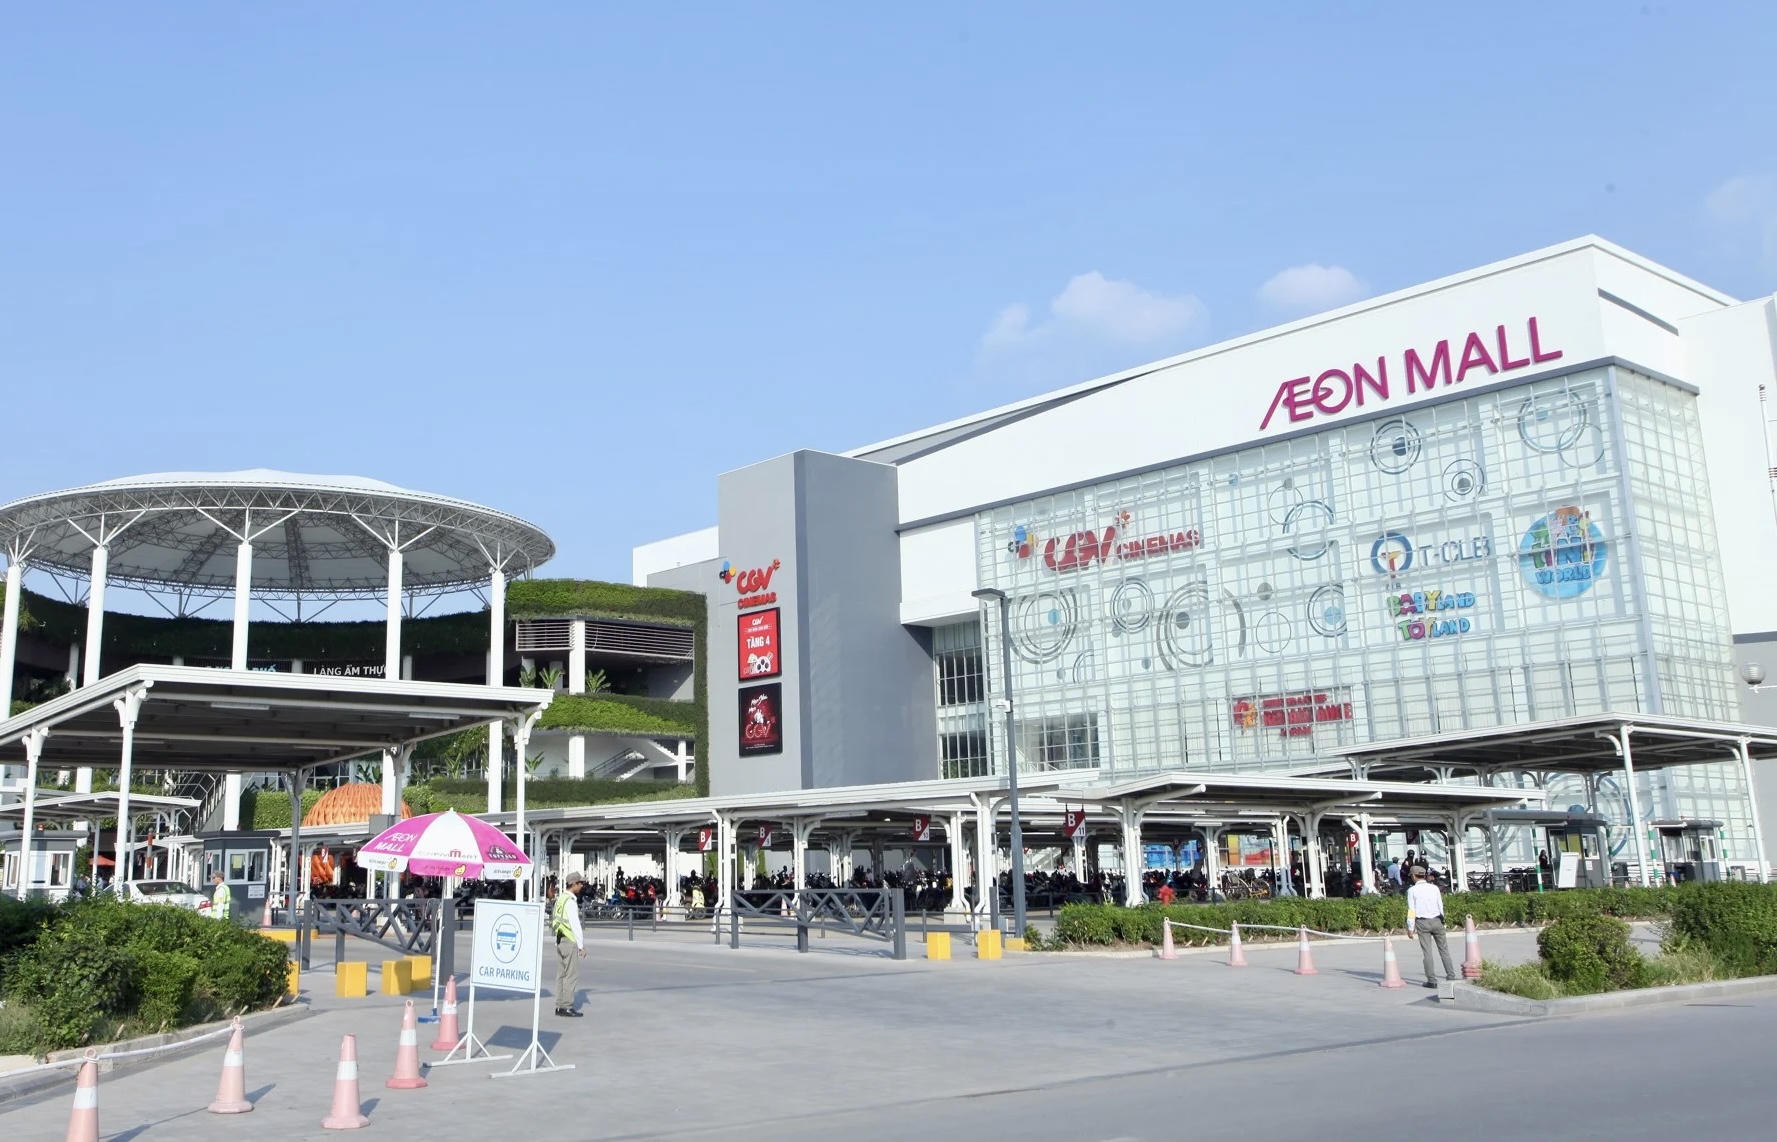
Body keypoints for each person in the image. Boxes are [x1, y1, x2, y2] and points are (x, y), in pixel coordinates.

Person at [1405, 865, 1456, 988]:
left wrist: (1410, 928)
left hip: (1422, 922)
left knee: (1427, 952)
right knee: (1444, 950)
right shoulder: (1434, 888)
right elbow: (1440, 906)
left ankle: (1432, 980)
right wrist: (1442, 920)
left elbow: (1411, 910)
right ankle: (1451, 976)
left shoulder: (1412, 891)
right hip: (1437, 920)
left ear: (1413, 876)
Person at [552, 870, 587, 1018]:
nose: (582, 885)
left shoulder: (561, 899)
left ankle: (559, 1005)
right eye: (580, 883)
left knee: (561, 975)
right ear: (573, 884)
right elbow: (575, 925)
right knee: (571, 975)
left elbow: (556, 919)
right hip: (569, 940)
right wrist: (581, 946)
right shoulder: (571, 902)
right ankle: (566, 1006)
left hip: (560, 940)